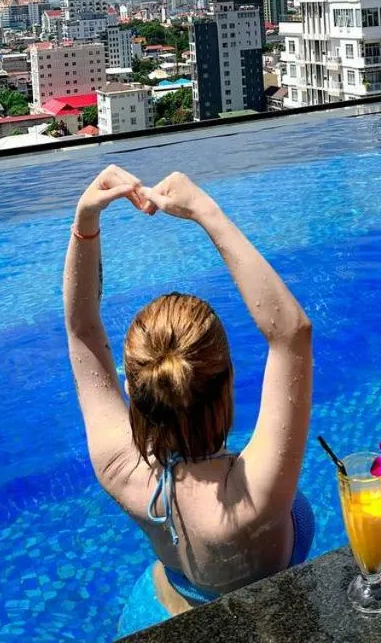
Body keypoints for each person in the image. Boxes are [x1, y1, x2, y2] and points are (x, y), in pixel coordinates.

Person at [62, 165, 314, 632]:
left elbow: (81, 332)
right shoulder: (253, 493)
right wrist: (205, 211)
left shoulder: (122, 469)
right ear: (229, 381)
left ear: (135, 391)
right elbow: (291, 334)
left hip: (153, 614)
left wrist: (85, 223)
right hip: (266, 626)